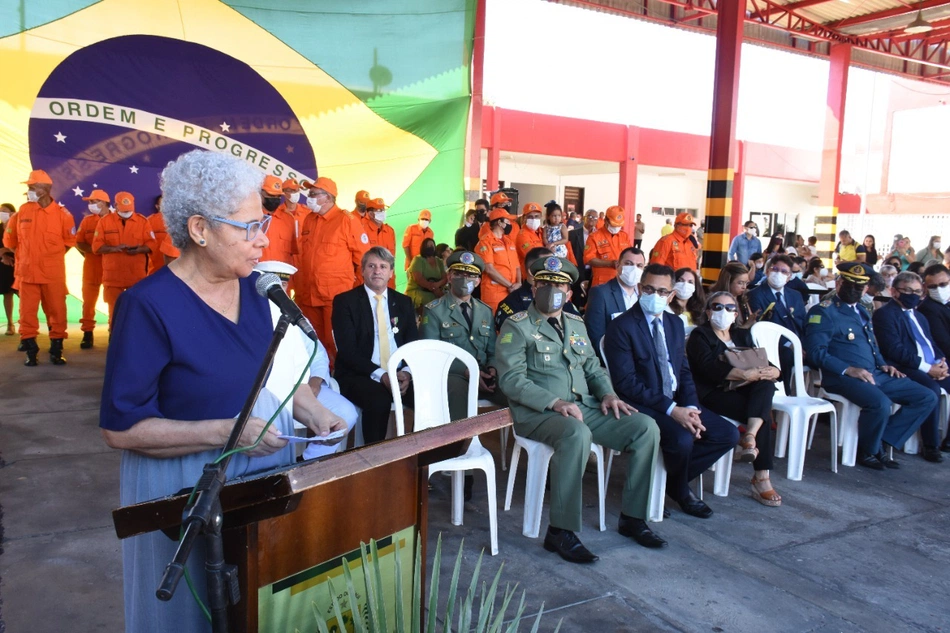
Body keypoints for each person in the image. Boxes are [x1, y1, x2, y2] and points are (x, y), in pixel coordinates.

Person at [99, 150, 345, 633]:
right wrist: (226, 432)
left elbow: (268, 373)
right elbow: (120, 429)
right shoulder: (147, 306)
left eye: (264, 221)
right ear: (199, 229)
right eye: (248, 226)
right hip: (185, 488)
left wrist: (312, 410)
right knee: (192, 618)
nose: (264, 238)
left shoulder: (256, 290)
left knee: (252, 611)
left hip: (261, 475)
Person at [495, 256, 663, 563]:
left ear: (570, 293)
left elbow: (592, 366)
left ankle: (633, 518)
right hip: (539, 413)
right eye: (545, 283)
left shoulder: (575, 323)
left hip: (583, 407)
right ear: (534, 287)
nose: (551, 289)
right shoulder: (516, 326)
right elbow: (511, 380)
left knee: (645, 427)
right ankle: (560, 531)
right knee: (576, 434)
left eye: (559, 285)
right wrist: (555, 402)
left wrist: (608, 394)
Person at [604, 263, 739, 519]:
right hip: (642, 404)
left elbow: (683, 371)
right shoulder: (622, 326)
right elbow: (626, 384)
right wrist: (672, 410)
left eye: (662, 291)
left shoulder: (675, 324)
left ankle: (664, 484)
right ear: (640, 288)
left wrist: (689, 407)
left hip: (677, 402)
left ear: (671, 295)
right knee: (682, 440)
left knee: (727, 434)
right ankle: (680, 490)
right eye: (649, 289)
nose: (655, 296)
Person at [804, 262, 936, 470]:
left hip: (874, 373)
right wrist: (848, 369)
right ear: (838, 283)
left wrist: (884, 365)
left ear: (866, 288)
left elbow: (872, 345)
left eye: (860, 287)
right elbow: (815, 352)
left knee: (926, 396)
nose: (855, 291)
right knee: (880, 403)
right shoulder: (824, 312)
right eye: (850, 285)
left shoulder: (862, 311)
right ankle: (868, 450)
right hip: (842, 376)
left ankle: (881, 441)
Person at [255, 260, 360, 460]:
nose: (280, 290)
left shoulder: (293, 314)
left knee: (346, 414)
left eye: (283, 284)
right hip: (267, 392)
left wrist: (316, 382)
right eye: (274, 284)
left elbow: (318, 352)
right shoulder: (250, 313)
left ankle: (306, 462)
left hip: (303, 389)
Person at [686, 291, 782, 506]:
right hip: (713, 392)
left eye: (730, 308)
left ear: (736, 312)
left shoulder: (741, 335)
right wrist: (744, 374)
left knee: (766, 384)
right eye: (718, 307)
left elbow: (762, 360)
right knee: (761, 412)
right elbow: (708, 368)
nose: (724, 312)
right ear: (709, 312)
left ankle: (749, 436)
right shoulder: (700, 336)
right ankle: (761, 478)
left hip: (745, 391)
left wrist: (774, 372)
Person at [332, 246, 418, 445]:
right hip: (360, 374)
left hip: (399, 373)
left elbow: (413, 342)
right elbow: (347, 351)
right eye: (371, 266)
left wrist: (406, 373)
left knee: (428, 395)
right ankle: (374, 462)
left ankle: (418, 457)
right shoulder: (345, 302)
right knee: (378, 401)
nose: (377, 271)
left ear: (391, 272)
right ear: (362, 271)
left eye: (383, 266)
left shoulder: (403, 302)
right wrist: (383, 375)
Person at [871, 271, 947, 463]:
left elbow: (930, 343)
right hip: (903, 367)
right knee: (931, 390)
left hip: (931, 365)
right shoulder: (885, 314)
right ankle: (930, 445)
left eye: (918, 291)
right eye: (908, 290)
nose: (913, 295)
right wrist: (928, 369)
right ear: (894, 291)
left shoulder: (919, 316)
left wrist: (941, 362)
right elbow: (894, 350)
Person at [420, 250, 506, 420]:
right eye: (459, 274)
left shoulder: (485, 311)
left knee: (513, 390)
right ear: (449, 277)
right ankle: (461, 445)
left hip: (483, 373)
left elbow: (493, 350)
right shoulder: (434, 310)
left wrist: (493, 369)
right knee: (458, 393)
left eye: (471, 275)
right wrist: (467, 371)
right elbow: (431, 355)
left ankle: (530, 441)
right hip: (453, 374)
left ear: (478, 281)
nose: (465, 279)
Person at [3, 169, 76, 366]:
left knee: (57, 312)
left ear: (44, 189)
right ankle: (31, 350)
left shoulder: (63, 215)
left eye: (32, 187)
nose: (29, 190)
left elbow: (70, 241)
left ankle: (56, 350)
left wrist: (50, 256)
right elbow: (9, 240)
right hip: (27, 274)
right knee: (27, 314)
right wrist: (20, 255)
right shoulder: (22, 212)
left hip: (53, 275)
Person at [296, 177, 368, 363]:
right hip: (308, 296)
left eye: (313, 194)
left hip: (335, 297)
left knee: (335, 343)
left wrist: (359, 295)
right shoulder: (309, 220)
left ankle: (339, 383)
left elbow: (363, 260)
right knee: (312, 343)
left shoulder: (346, 220)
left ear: (327, 197)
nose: (308, 197)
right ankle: (319, 383)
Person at [92, 192, 155, 329]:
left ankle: (134, 339)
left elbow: (152, 245)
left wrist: (139, 249)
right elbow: (96, 247)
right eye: (123, 209)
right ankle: (114, 338)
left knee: (137, 311)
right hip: (113, 276)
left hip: (136, 276)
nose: (127, 212)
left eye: (129, 210)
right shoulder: (104, 221)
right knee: (114, 312)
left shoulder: (143, 221)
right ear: (115, 205)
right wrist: (114, 248)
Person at [746, 254, 806, 391]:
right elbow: (763, 327)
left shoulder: (795, 295)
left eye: (784, 271)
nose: (779, 274)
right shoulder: (755, 295)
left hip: (798, 343)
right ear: (767, 271)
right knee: (786, 354)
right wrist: (790, 344)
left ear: (789, 276)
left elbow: (802, 322)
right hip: (774, 345)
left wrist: (802, 344)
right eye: (775, 269)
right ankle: (785, 392)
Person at [494, 246, 579, 331]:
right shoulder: (512, 302)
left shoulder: (561, 298)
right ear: (531, 271)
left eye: (558, 285)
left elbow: (576, 329)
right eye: (546, 265)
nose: (553, 269)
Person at [585, 247, 645, 361]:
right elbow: (595, 337)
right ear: (617, 265)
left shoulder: (645, 296)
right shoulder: (601, 293)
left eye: (639, 266)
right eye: (629, 263)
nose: (634, 269)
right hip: (614, 361)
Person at [76, 189, 110, 349]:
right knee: (88, 302)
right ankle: (87, 333)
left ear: (104, 203)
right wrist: (94, 250)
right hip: (91, 266)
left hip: (112, 267)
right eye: (90, 202)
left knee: (113, 302)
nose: (91, 205)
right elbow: (79, 242)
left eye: (93, 202)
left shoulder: (116, 220)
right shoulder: (87, 221)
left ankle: (113, 332)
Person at [476, 207, 521, 313]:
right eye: (507, 220)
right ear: (500, 222)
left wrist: (519, 283)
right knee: (494, 325)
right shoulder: (485, 242)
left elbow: (517, 266)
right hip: (494, 294)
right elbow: (489, 269)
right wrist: (510, 285)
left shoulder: (509, 242)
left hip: (512, 293)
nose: (510, 223)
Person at [585, 205, 631, 288]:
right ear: (606, 220)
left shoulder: (625, 236)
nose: (616, 228)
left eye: (619, 226)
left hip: (622, 282)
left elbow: (631, 256)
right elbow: (589, 259)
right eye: (614, 225)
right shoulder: (594, 237)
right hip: (602, 283)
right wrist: (610, 263)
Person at [260, 177, 300, 270]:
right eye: (271, 195)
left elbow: (291, 254)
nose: (275, 199)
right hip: (256, 276)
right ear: (260, 193)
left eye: (278, 196)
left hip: (281, 276)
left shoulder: (288, 219)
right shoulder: (250, 217)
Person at [362, 198, 396, 290]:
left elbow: (393, 258)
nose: (383, 212)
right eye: (379, 210)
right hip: (369, 279)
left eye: (383, 210)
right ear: (370, 214)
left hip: (388, 280)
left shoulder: (390, 231)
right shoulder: (362, 229)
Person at [405, 237, 447, 309]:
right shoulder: (418, 259)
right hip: (418, 290)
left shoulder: (439, 261)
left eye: (432, 246)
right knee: (432, 301)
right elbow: (418, 279)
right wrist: (433, 288)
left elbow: (445, 278)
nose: (430, 248)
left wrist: (437, 286)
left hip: (435, 290)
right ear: (423, 248)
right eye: (427, 246)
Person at [568, 209, 598, 306]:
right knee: (577, 299)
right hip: (578, 271)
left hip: (594, 273)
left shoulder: (599, 236)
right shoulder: (572, 234)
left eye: (594, 217)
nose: (591, 219)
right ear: (584, 218)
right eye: (589, 216)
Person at [516, 202, 545, 276]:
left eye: (536, 216)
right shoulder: (522, 235)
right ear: (525, 217)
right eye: (530, 217)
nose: (534, 219)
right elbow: (532, 256)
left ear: (541, 217)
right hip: (528, 276)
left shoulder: (542, 232)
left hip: (541, 274)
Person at [0, 202, 15, 335]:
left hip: (20, 264)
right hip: (4, 266)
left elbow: (27, 245)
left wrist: (9, 251)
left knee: (25, 295)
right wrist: (3, 254)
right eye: (0, 211)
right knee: (7, 293)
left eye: (4, 210)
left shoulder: (18, 226)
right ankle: (10, 323)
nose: (2, 213)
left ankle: (28, 325)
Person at [147, 195, 169, 274]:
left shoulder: (178, 221)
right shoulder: (149, 221)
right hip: (155, 266)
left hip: (175, 265)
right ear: (157, 206)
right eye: (163, 203)